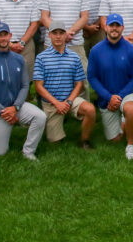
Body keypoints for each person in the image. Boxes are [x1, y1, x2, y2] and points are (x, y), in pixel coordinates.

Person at [0, 23, 46, 160]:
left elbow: (25, 86)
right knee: (0, 153)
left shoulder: (19, 59)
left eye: (5, 35)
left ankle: (28, 151)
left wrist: (15, 107)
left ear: (10, 36)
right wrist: (3, 111)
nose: (3, 39)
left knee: (40, 117)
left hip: (17, 106)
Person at [33, 21, 97, 149]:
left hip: (70, 100)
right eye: (55, 33)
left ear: (65, 35)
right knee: (55, 142)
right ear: (49, 35)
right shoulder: (41, 58)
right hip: (52, 103)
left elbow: (79, 84)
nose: (58, 36)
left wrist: (68, 101)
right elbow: (38, 86)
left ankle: (84, 141)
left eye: (61, 33)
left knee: (90, 109)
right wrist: (57, 103)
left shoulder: (74, 57)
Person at [88, 14, 133, 160]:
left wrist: (119, 97)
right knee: (115, 139)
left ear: (122, 28)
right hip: (107, 98)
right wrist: (109, 97)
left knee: (130, 109)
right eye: (111, 25)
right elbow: (92, 78)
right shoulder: (96, 51)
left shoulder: (131, 50)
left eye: (117, 26)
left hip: (127, 94)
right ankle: (124, 121)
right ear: (106, 27)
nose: (114, 29)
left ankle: (130, 145)